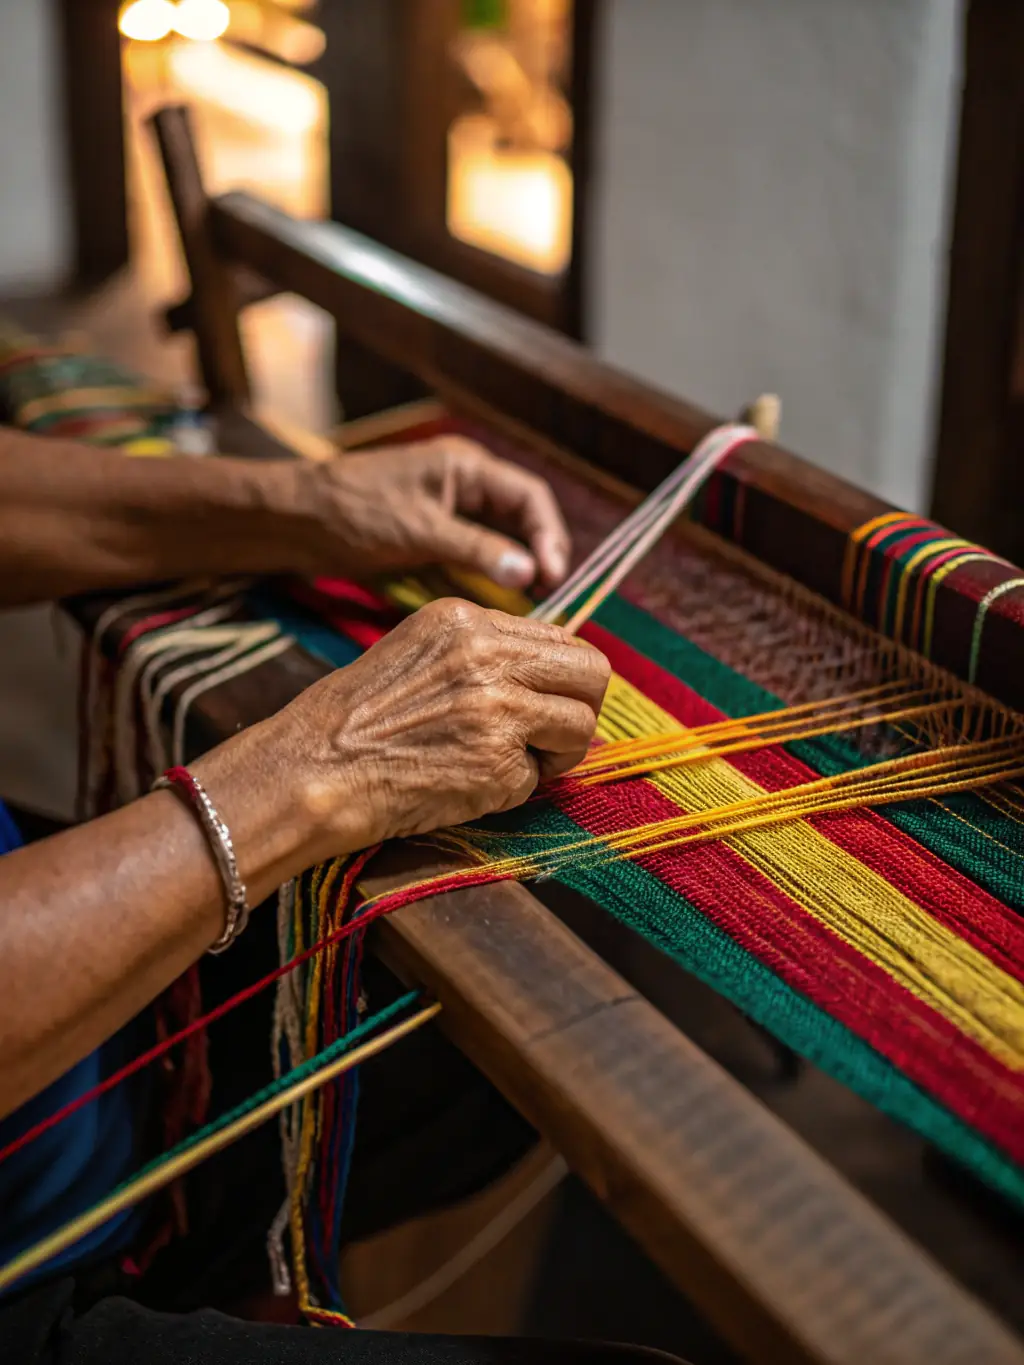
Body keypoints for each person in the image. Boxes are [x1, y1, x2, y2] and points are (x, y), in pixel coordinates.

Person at [0, 423, 683, 1364]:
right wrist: (318, 766)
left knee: (501, 1014)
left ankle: (241, 1266)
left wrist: (304, 506)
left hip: (78, 1088)